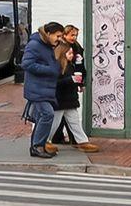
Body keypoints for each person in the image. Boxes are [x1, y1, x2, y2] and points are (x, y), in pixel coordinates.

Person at [19, 22, 64, 159]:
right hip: (37, 89)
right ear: (49, 34)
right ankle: (38, 146)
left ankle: (38, 146)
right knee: (47, 114)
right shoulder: (35, 45)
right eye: (58, 36)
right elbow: (26, 63)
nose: (59, 39)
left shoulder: (48, 45)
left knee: (41, 117)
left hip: (43, 88)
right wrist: (50, 70)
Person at [51, 23, 90, 148]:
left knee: (73, 120)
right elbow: (58, 80)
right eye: (72, 35)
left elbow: (80, 69)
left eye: (76, 35)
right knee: (57, 121)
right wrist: (73, 80)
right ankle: (46, 140)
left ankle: (81, 141)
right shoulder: (60, 61)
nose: (74, 37)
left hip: (69, 96)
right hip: (62, 97)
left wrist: (80, 81)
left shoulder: (75, 52)